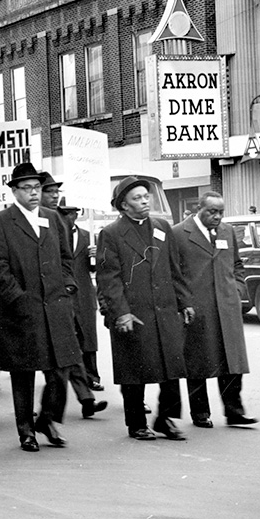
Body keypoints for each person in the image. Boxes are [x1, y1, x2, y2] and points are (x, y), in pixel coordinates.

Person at [0, 164, 82, 451]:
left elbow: (66, 257)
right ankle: (26, 430)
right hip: (22, 311)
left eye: (37, 187)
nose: (34, 193)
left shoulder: (53, 218)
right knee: (23, 374)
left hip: (56, 308)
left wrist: (68, 285)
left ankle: (48, 419)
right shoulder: (0, 222)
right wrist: (18, 297)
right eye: (27, 188)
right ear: (14, 191)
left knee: (60, 370)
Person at [95, 176, 194, 441]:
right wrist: (121, 312)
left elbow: (175, 269)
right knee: (133, 371)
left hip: (164, 311)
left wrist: (185, 302)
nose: (144, 201)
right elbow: (108, 278)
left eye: (145, 196)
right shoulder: (111, 234)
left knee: (172, 367)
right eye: (136, 198)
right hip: (133, 314)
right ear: (123, 206)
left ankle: (165, 419)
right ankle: (136, 423)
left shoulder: (162, 227)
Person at [172, 191, 258, 428]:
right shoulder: (179, 233)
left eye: (221, 212)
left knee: (232, 361)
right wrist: (184, 302)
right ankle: (200, 412)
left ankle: (234, 412)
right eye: (212, 211)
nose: (218, 216)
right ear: (198, 208)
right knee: (197, 361)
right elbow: (174, 273)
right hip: (197, 308)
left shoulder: (227, 232)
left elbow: (237, 265)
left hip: (227, 307)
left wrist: (238, 289)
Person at [56, 204, 107, 411]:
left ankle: (92, 377)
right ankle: (77, 385)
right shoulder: (55, 235)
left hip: (84, 293)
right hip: (63, 294)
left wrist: (96, 255)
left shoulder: (87, 236)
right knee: (70, 340)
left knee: (88, 335)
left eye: (73, 213)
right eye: (66, 213)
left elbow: (96, 267)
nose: (70, 217)